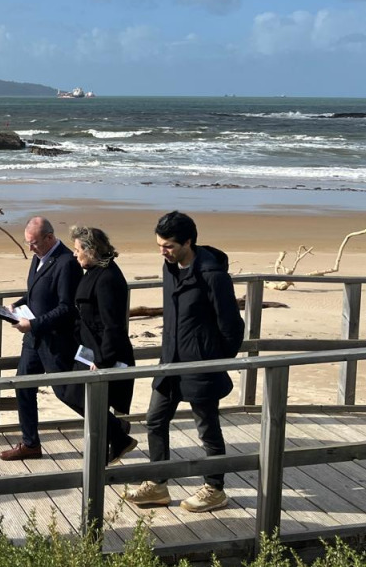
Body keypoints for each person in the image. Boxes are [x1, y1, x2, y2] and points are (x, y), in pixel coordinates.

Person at [124, 211, 244, 514]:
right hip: (170, 363)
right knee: (154, 419)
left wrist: (213, 361)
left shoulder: (212, 275)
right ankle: (158, 483)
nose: (162, 252)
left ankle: (215, 489)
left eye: (168, 246)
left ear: (188, 242)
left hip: (200, 366)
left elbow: (232, 328)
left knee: (207, 428)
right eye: (159, 245)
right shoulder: (170, 267)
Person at [0, 217, 85, 461]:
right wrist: (17, 305)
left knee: (67, 392)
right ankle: (30, 444)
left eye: (34, 243)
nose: (30, 248)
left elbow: (67, 308)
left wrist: (33, 324)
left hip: (56, 340)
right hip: (33, 340)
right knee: (23, 386)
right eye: (27, 243)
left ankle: (115, 428)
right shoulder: (39, 256)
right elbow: (36, 293)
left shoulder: (67, 262)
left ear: (49, 237)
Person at [68, 225, 138, 465]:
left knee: (88, 400)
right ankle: (117, 432)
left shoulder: (108, 277)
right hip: (89, 349)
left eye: (78, 249)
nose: (74, 254)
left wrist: (102, 361)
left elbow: (113, 325)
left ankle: (116, 440)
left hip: (105, 354)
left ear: (91, 250)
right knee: (75, 395)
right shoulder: (94, 270)